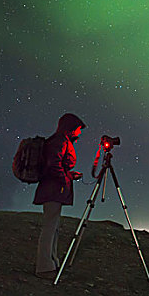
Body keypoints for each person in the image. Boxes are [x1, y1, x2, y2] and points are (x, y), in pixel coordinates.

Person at [33, 113, 86, 279]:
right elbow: (54, 164)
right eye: (77, 129)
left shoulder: (61, 140)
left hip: (54, 189)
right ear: (70, 128)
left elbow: (58, 165)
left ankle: (52, 262)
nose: (79, 133)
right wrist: (64, 180)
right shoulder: (60, 141)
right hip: (53, 190)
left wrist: (69, 175)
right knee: (49, 227)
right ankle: (44, 267)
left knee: (53, 227)